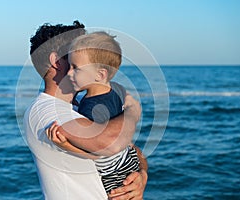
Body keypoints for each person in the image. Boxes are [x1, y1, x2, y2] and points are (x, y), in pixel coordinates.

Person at [24, 21, 148, 200]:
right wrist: (132, 113)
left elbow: (130, 149)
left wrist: (141, 176)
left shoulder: (77, 108)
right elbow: (112, 143)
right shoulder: (47, 111)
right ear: (57, 61)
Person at [46, 31, 140, 195]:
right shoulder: (116, 89)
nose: (69, 73)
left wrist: (66, 146)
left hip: (114, 173)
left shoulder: (92, 108)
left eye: (76, 68)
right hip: (129, 157)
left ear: (100, 74)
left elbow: (99, 152)